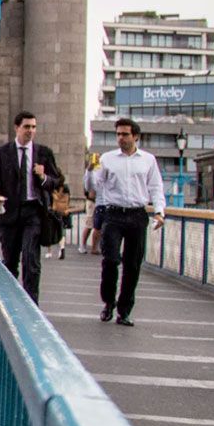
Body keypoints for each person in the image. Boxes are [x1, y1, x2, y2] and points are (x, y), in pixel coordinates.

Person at [86, 118, 166, 326]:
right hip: (113, 214)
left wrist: (159, 212)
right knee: (110, 260)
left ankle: (124, 311)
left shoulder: (148, 160)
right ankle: (108, 303)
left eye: (125, 134)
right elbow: (94, 186)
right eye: (118, 134)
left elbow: (156, 187)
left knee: (133, 265)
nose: (121, 138)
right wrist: (89, 170)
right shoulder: (107, 158)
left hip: (137, 215)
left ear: (135, 136)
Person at [0, 111, 61, 302]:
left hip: (33, 212)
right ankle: (8, 304)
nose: (30, 131)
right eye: (26, 127)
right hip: (9, 214)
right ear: (16, 128)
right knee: (9, 262)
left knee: (31, 260)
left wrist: (44, 177)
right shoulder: (3, 152)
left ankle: (31, 306)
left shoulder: (43, 153)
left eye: (33, 127)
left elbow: (57, 181)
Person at [78, 153, 99, 255]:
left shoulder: (100, 170)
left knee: (99, 226)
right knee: (89, 224)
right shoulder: (90, 172)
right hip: (91, 201)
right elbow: (88, 186)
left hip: (100, 202)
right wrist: (90, 168)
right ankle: (82, 245)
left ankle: (95, 247)